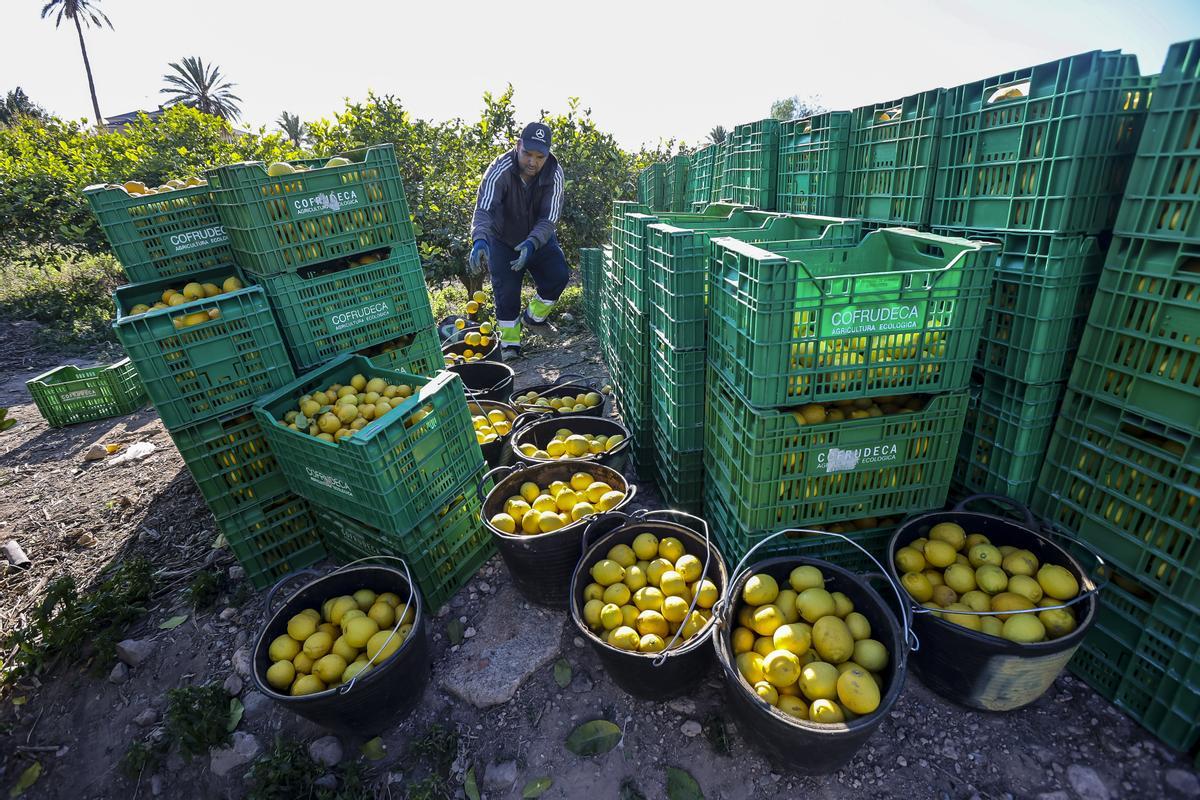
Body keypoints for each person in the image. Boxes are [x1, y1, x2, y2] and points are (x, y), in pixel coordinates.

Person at [468, 121, 567, 360]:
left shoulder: (554, 173)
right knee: (506, 292)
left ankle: (534, 318)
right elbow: (484, 208)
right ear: (518, 145)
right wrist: (480, 239)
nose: (532, 162)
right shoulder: (499, 168)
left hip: (538, 237)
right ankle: (510, 345)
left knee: (558, 276)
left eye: (539, 156)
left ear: (548, 154)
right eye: (527, 154)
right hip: (502, 239)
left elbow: (549, 218)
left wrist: (532, 242)